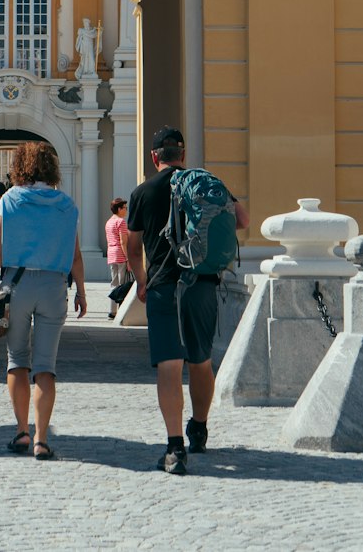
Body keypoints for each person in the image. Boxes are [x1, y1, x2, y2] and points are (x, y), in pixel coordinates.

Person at [126, 126, 249, 475]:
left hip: (165, 286)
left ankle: (174, 447)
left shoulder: (142, 193)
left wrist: (141, 280)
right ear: (183, 155)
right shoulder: (205, 183)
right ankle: (199, 427)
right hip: (204, 285)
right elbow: (243, 219)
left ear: (154, 157)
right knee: (201, 360)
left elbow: (133, 248)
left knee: (169, 365)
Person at [0, 141, 86, 461]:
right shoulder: (67, 205)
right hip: (54, 286)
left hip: (18, 284)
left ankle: (21, 432)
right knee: (46, 366)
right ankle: (42, 439)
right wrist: (81, 290)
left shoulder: (10, 199)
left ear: (19, 166)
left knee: (17, 359)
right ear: (52, 168)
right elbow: (75, 254)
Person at [105, 197, 130, 318]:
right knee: (122, 284)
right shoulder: (121, 222)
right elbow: (123, 242)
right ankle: (121, 310)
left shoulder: (109, 222)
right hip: (120, 254)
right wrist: (128, 259)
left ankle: (112, 310)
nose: (126, 210)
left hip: (111, 254)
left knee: (114, 283)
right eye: (125, 208)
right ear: (119, 209)